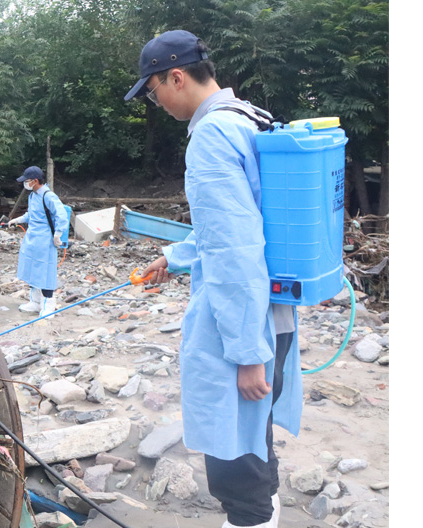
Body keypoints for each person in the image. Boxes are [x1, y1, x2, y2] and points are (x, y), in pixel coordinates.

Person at [124, 30, 302, 528]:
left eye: (154, 91)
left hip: (245, 324)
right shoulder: (248, 117)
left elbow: (234, 250)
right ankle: (263, 510)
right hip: (273, 312)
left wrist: (247, 354)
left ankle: (252, 518)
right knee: (254, 433)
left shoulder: (210, 136)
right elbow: (234, 225)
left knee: (233, 449)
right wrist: (174, 257)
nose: (158, 103)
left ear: (176, 77)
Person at [7, 166, 69, 317]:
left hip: (45, 239)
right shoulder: (33, 196)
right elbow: (31, 215)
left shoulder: (48, 196)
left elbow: (61, 215)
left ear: (35, 181)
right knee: (31, 269)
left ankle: (48, 305)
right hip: (32, 238)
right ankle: (35, 301)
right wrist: (17, 220)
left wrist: (58, 234)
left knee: (45, 271)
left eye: (27, 181)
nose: (25, 184)